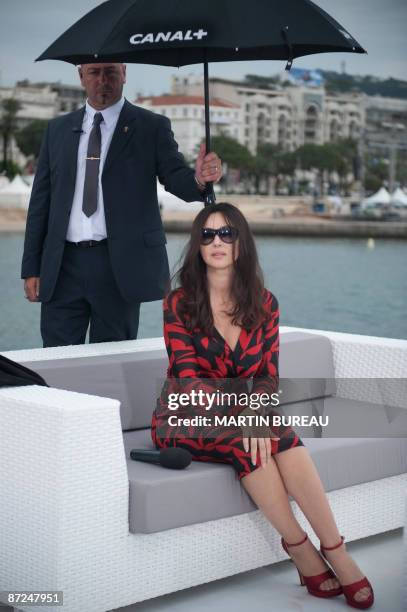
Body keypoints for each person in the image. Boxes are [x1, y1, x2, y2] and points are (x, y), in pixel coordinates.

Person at [151, 202, 374, 609]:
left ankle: (336, 549)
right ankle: (300, 547)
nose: (216, 241)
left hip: (239, 411)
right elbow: (188, 376)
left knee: (280, 434)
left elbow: (269, 375)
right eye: (207, 235)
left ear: (241, 243)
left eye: (226, 233)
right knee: (247, 438)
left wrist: (255, 412)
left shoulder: (264, 303)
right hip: (184, 414)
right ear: (198, 246)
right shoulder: (179, 302)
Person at [21, 62, 222, 347]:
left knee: (112, 361)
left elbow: (176, 178)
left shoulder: (151, 126)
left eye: (111, 72)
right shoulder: (57, 129)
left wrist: (200, 179)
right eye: (94, 72)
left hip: (119, 267)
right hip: (62, 266)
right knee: (57, 360)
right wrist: (32, 267)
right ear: (81, 77)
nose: (103, 80)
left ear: (124, 74)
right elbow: (40, 202)